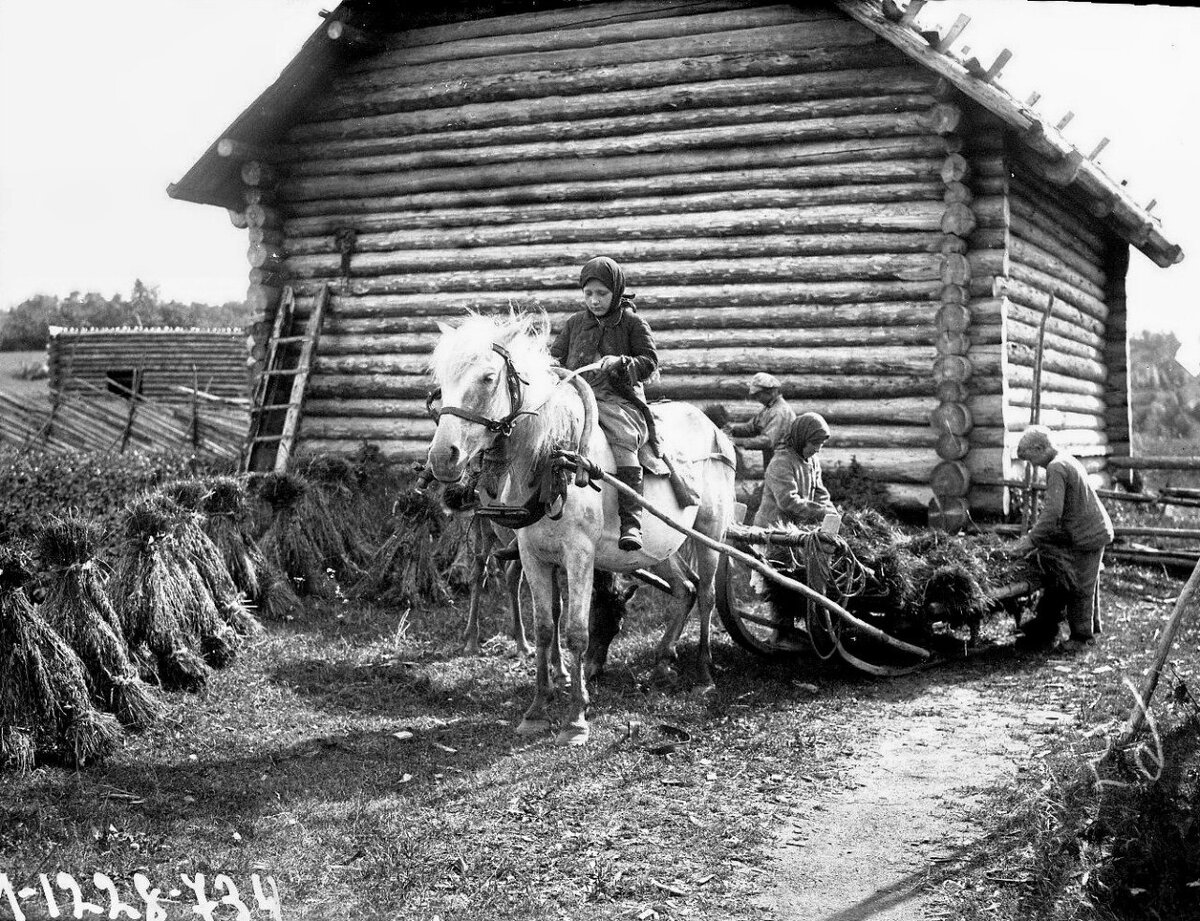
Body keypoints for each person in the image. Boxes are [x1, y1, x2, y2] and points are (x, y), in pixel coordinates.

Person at [550, 256, 658, 552]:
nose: (595, 301)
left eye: (602, 294)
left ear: (616, 291)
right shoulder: (575, 323)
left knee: (624, 441)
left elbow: (650, 362)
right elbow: (555, 358)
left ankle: (631, 521)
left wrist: (622, 363)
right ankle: (539, 523)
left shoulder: (632, 323)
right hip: (574, 395)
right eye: (589, 294)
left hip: (618, 399)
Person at [1008, 425, 1114, 652]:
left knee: (1079, 586)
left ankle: (1081, 638)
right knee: (1088, 580)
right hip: (1093, 529)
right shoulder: (1066, 459)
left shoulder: (1056, 467)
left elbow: (1052, 512)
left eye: (1031, 458)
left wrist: (1031, 539)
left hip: (1088, 534)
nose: (1033, 465)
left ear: (1040, 447)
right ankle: (1092, 629)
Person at [753, 412, 836, 529]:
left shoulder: (812, 461)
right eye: (814, 443)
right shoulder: (781, 462)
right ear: (802, 438)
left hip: (796, 529)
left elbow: (820, 494)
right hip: (772, 530)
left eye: (821, 444)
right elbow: (787, 502)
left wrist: (834, 514)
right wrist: (822, 513)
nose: (817, 449)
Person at [728, 373, 796, 470]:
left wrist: (738, 442)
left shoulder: (780, 411)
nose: (757, 399)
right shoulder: (769, 409)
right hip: (773, 461)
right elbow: (752, 427)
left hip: (783, 464)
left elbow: (767, 441)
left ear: (770, 392)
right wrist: (731, 429)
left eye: (758, 395)